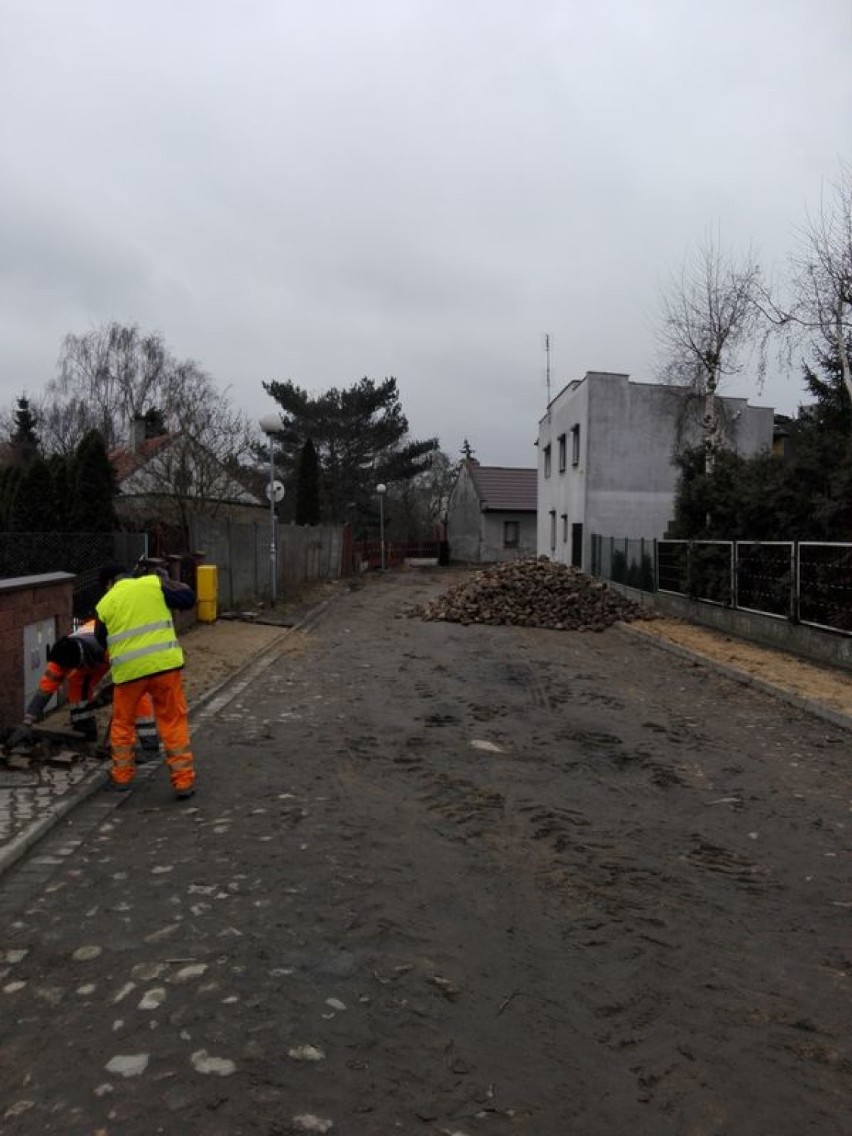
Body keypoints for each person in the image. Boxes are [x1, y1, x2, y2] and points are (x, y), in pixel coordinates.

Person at [95, 563, 197, 799]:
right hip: (164, 666)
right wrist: (168, 580)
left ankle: (122, 778)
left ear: (109, 584)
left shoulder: (105, 603)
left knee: (122, 724)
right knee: (172, 721)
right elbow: (188, 598)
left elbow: (102, 640)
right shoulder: (153, 584)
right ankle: (183, 782)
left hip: (129, 673)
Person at [7, 616, 160, 759]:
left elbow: (131, 677)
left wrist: (112, 691)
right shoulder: (61, 656)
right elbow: (45, 690)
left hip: (124, 651)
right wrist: (27, 722)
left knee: (135, 692)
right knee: (76, 681)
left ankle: (149, 745)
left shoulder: (111, 646)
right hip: (93, 653)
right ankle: (84, 729)